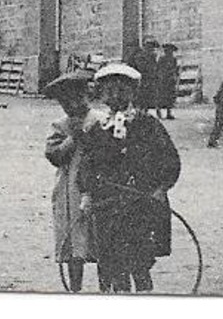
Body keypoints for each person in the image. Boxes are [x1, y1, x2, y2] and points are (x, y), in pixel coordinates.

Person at [79, 62, 181, 293]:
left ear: (133, 92)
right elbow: (87, 164)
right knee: (108, 257)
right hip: (107, 204)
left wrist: (160, 187)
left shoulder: (148, 125)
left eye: (122, 89)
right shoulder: (97, 129)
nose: (115, 95)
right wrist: (86, 193)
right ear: (102, 94)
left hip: (140, 202)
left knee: (139, 258)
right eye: (109, 90)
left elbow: (170, 160)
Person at [42, 68, 99, 293]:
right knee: (74, 241)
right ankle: (75, 287)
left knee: (100, 236)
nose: (72, 106)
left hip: (97, 186)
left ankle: (109, 285)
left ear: (86, 96)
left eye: (77, 99)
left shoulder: (99, 120)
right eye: (65, 103)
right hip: (69, 189)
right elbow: (54, 156)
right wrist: (73, 138)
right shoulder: (60, 125)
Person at [132, 39, 161, 112]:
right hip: (142, 78)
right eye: (150, 47)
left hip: (151, 78)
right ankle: (140, 110)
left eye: (152, 48)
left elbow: (156, 67)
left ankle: (148, 110)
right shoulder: (140, 56)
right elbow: (140, 67)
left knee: (151, 95)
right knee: (141, 95)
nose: (152, 49)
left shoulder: (153, 56)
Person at [154, 44, 180, 120]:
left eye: (170, 51)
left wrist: (175, 74)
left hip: (170, 79)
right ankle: (158, 111)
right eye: (167, 51)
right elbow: (158, 68)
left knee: (170, 96)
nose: (169, 52)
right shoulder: (162, 59)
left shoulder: (173, 59)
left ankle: (169, 113)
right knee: (161, 95)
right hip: (163, 79)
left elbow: (175, 69)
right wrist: (161, 76)